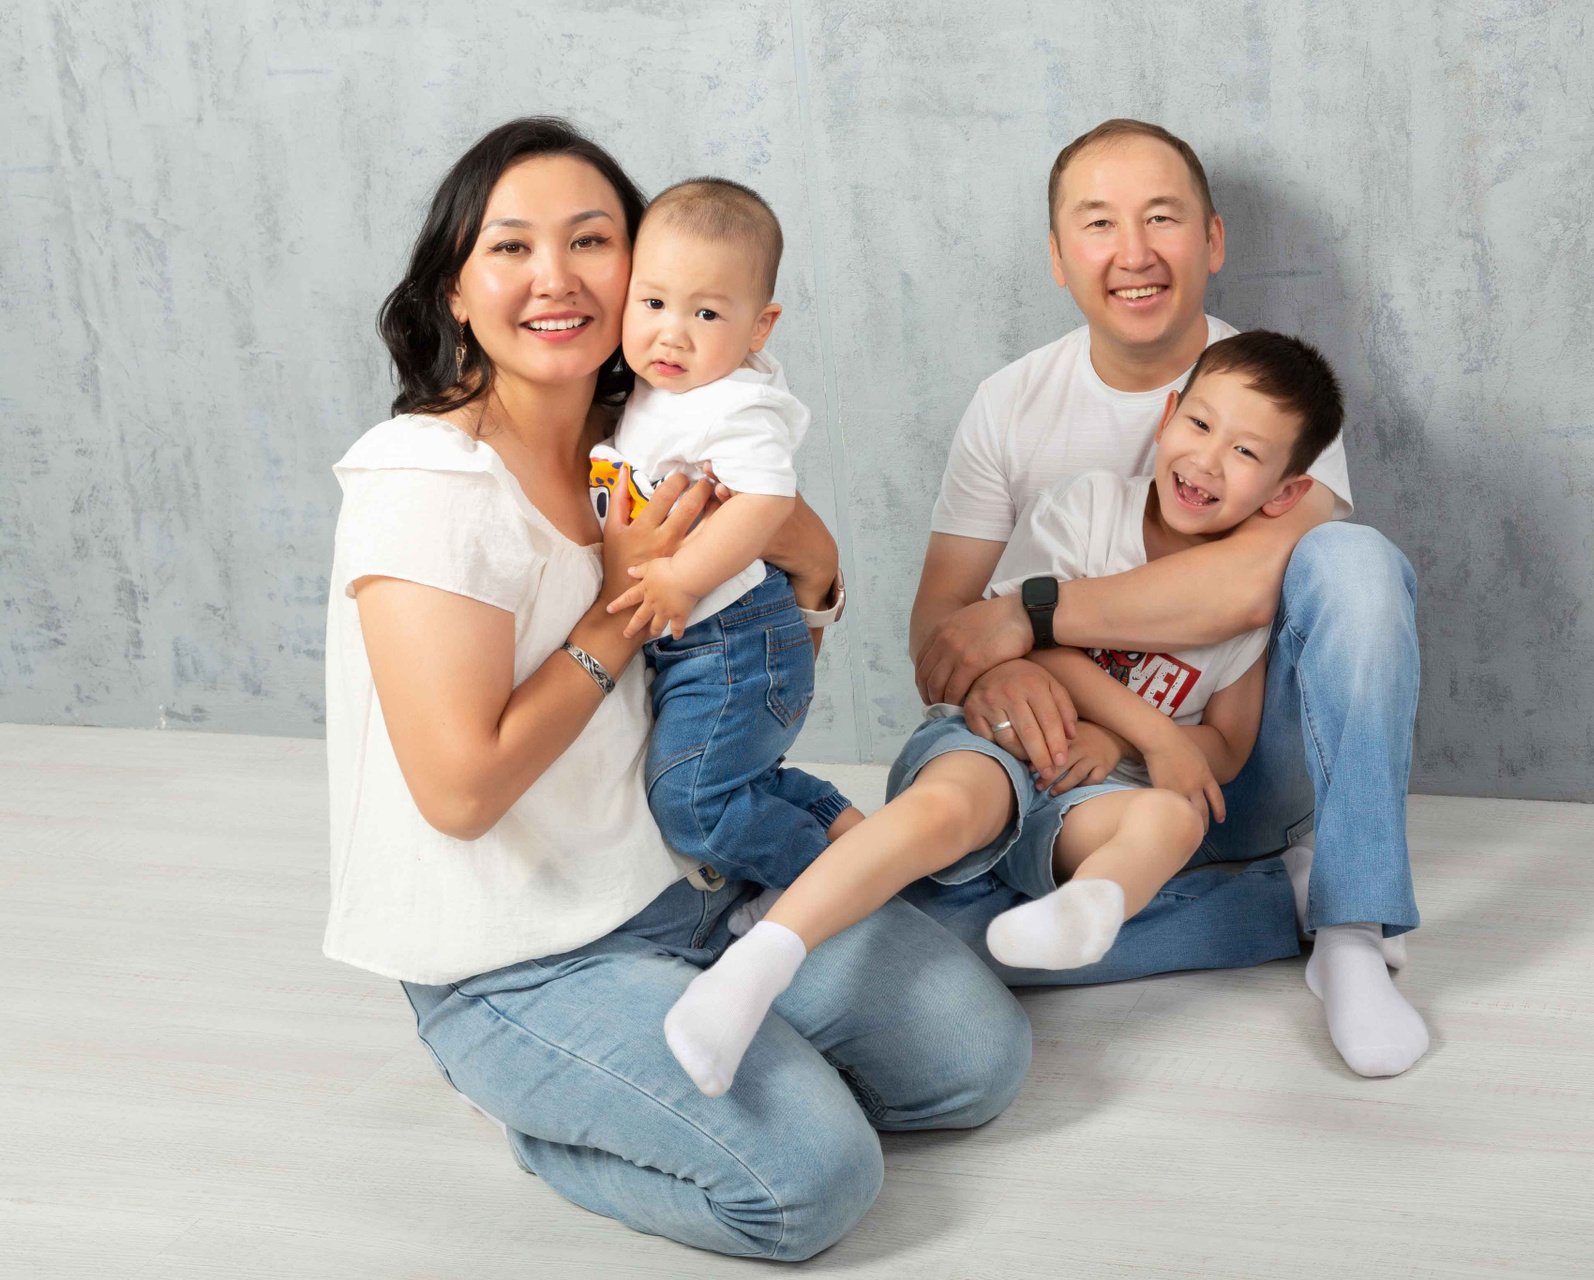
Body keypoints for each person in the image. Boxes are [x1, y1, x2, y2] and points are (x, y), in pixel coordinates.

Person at [323, 117, 1028, 1263]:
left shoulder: (654, 433)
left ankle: (700, 1045)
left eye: (590, 241)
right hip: (521, 954)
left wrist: (800, 576)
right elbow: (460, 792)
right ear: (455, 287)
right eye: (511, 247)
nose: (556, 277)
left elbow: (790, 592)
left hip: (687, 882)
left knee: (975, 1063)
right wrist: (624, 600)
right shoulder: (429, 482)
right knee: (812, 1183)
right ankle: (541, 1110)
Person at [663, 330, 1344, 1099]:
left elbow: (1223, 745)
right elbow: (1022, 646)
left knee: (1172, 819)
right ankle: (755, 968)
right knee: (952, 806)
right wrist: (1149, 732)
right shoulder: (1089, 508)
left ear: (1284, 495)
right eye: (1199, 425)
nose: (1209, 461)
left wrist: (1119, 743)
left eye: (1247, 453)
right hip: (996, 741)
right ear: (1166, 418)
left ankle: (1083, 911)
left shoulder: (1246, 608)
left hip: (1090, 790)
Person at [907, 118, 1429, 1078]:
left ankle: (1354, 928)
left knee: (1356, 562)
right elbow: (942, 631)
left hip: (1230, 762)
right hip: (1076, 768)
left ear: (1213, 240)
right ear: (1058, 256)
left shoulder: (1272, 393)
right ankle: (1283, 906)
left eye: (1162, 218)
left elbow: (1245, 589)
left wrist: (1027, 615)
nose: (1135, 253)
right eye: (1098, 223)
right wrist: (994, 679)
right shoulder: (1010, 403)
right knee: (940, 941)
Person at [592, 178, 859, 892]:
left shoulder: (737, 403)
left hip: (734, 638)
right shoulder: (659, 385)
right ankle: (852, 833)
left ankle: (834, 889)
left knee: (692, 805)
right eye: (652, 303)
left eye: (706, 313)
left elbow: (768, 499)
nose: (672, 333)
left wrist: (684, 577)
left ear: (759, 328)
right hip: (704, 639)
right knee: (737, 778)